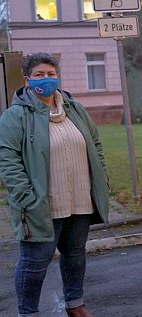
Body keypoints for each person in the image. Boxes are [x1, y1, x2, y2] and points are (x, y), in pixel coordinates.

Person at [0, 53, 110, 317]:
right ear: (27, 80)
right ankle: (28, 312)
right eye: (39, 75)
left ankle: (75, 304)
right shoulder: (16, 116)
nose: (46, 79)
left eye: (51, 74)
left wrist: (102, 179)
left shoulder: (75, 109)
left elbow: (95, 145)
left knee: (75, 256)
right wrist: (27, 197)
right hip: (42, 203)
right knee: (34, 263)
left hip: (80, 199)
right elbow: (8, 160)